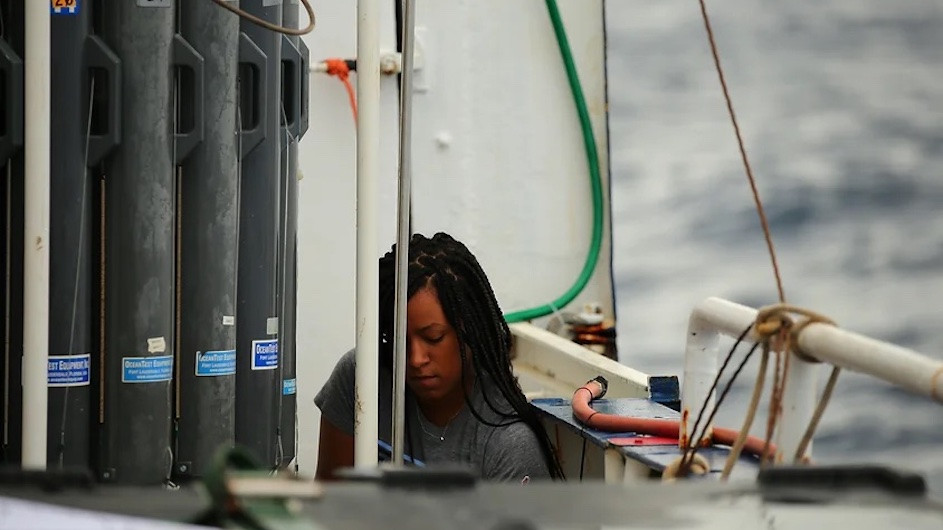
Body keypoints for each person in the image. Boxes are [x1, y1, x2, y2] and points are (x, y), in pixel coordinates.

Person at [315, 232, 564, 482]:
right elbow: (326, 507)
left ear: (470, 330)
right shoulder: (360, 380)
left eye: (433, 338)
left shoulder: (508, 445)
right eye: (399, 340)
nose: (415, 359)